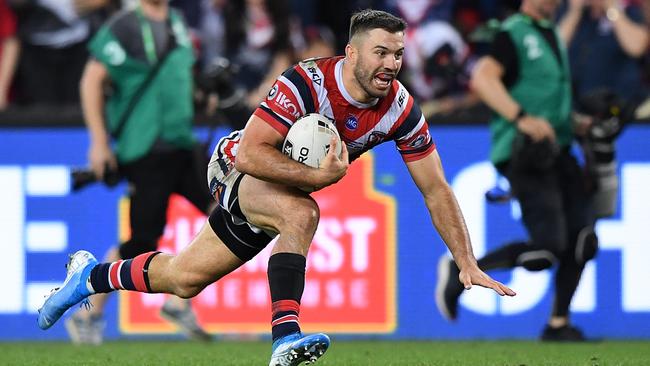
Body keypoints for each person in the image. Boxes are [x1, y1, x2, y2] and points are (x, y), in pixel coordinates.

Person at [38, 9, 515, 365]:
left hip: (277, 185)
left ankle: (89, 278)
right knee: (302, 213)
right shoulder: (307, 82)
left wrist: (465, 260)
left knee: (183, 279)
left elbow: (436, 189)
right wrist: (317, 178)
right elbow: (249, 153)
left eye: (397, 53)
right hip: (234, 167)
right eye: (380, 52)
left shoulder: (400, 109)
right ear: (351, 53)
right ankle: (285, 334)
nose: (391, 63)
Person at [436, 0, 598, 342]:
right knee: (547, 247)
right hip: (526, 153)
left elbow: (546, 96)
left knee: (583, 239)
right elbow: (482, 78)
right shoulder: (512, 33)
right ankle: (461, 267)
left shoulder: (550, 32)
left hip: (561, 149)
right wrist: (520, 118)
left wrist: (573, 122)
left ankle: (558, 324)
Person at [64, 0, 213, 344]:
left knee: (228, 213)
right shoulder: (125, 25)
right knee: (140, 244)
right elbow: (91, 81)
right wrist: (99, 143)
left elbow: (176, 79)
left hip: (181, 143)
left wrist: (201, 95)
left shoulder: (177, 20)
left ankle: (178, 301)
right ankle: (88, 315)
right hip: (145, 147)